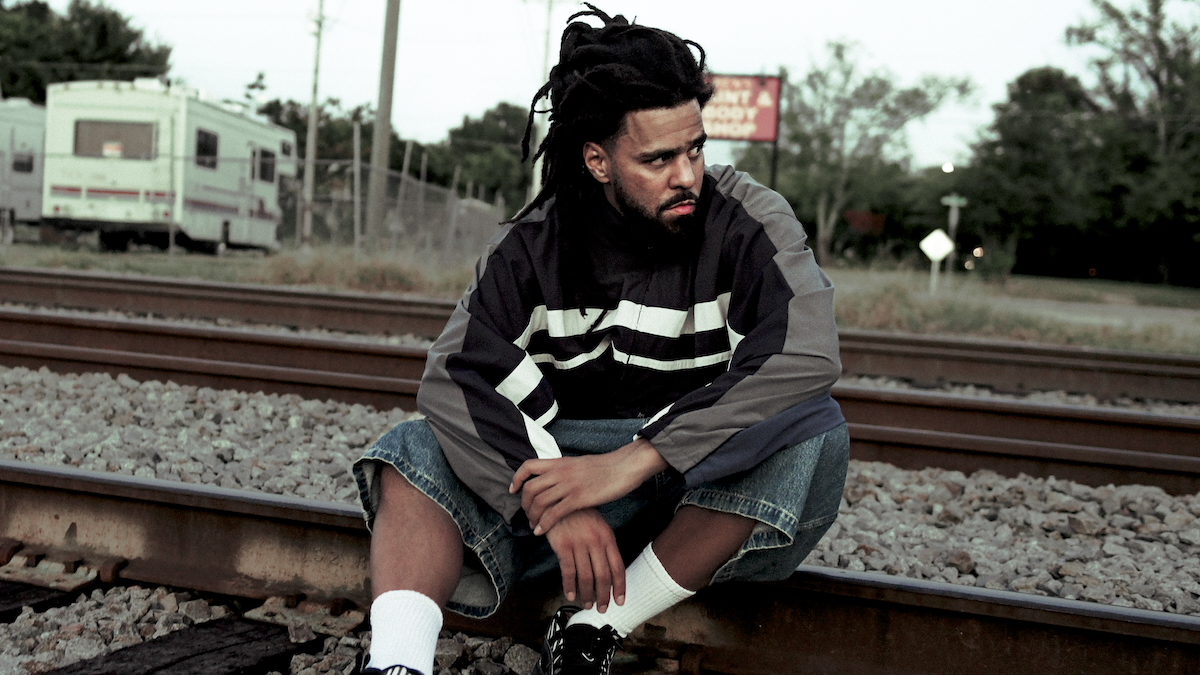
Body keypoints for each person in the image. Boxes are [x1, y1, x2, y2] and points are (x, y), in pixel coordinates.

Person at [352, 6, 849, 675]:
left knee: (810, 423)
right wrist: (554, 506)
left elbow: (807, 352)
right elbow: (453, 376)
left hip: (698, 498)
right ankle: (397, 664)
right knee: (413, 448)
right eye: (658, 158)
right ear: (597, 160)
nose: (687, 175)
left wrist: (641, 456)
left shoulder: (748, 218)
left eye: (695, 148)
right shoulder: (532, 247)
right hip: (560, 483)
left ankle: (592, 628)